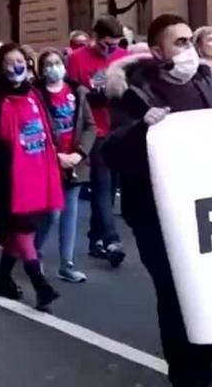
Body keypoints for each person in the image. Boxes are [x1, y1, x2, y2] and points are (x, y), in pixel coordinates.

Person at [104, 14, 212, 387]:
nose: (189, 48)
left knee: (208, 287)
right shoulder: (135, 91)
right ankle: (187, 375)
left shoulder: (206, 82)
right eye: (180, 42)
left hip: (204, 207)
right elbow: (112, 152)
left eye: (191, 40)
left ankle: (205, 352)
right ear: (157, 51)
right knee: (175, 294)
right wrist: (143, 128)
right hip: (157, 214)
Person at [0, 43, 63, 312]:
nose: (17, 66)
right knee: (22, 226)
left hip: (37, 168)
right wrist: (0, 167)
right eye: (10, 61)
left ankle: (3, 279)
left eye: (21, 61)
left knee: (20, 229)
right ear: (0, 67)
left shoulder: (34, 94)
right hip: (10, 175)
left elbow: (47, 129)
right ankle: (40, 284)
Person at [66, 16, 128, 267]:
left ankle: (95, 239)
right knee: (102, 186)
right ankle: (112, 240)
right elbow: (71, 93)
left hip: (118, 128)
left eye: (114, 45)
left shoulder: (123, 57)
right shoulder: (78, 58)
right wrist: (90, 95)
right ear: (94, 37)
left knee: (111, 187)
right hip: (95, 131)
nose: (110, 50)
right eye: (105, 45)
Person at [34, 49, 96, 283]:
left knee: (70, 214)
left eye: (57, 63)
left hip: (74, 162)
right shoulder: (36, 95)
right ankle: (34, 250)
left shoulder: (77, 92)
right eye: (48, 64)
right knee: (51, 213)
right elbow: (34, 128)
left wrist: (79, 154)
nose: (53, 68)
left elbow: (89, 126)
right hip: (50, 161)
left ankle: (66, 263)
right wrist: (56, 155)